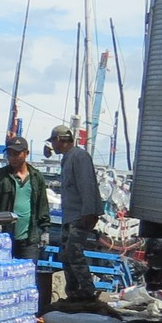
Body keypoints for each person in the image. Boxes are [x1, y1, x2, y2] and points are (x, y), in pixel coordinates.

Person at [0, 133, 52, 311]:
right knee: (2, 278)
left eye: (16, 153)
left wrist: (44, 229)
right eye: (10, 153)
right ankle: (3, 311)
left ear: (26, 153)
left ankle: (26, 312)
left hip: (29, 237)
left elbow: (42, 206)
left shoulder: (36, 178)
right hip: (4, 239)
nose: (12, 157)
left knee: (28, 279)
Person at [51, 123, 101, 304]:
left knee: (74, 251)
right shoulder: (67, 158)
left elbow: (87, 185)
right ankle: (73, 292)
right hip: (70, 215)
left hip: (80, 215)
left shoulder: (79, 157)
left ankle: (86, 290)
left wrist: (89, 212)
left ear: (58, 140)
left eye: (53, 142)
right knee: (65, 253)